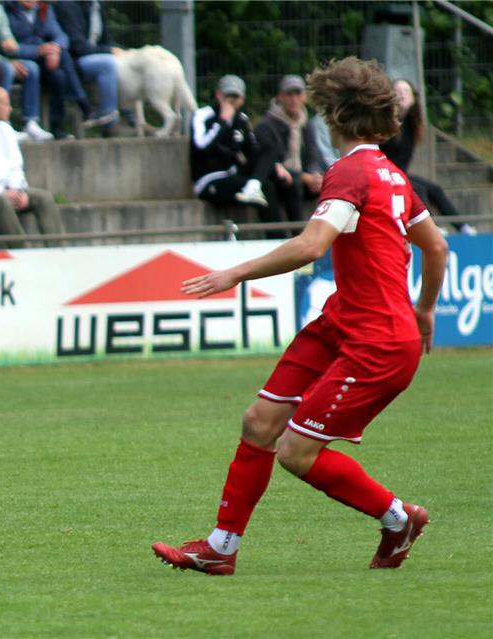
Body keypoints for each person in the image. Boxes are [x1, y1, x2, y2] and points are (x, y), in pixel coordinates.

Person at [152, 56, 449, 575]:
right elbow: (438, 247)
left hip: (374, 339)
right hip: (343, 324)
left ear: (332, 113)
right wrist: (424, 309)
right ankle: (221, 548)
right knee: (259, 422)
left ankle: (398, 518)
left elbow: (313, 246)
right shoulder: (393, 176)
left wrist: (235, 272)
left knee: (295, 450)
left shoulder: (352, 171)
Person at [190, 74, 283, 235]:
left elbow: (253, 152)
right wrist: (223, 121)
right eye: (228, 96)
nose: (232, 101)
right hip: (210, 179)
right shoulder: (203, 115)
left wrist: (274, 166)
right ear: (219, 95)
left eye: (236, 96)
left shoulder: (241, 119)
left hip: (234, 174)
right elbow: (201, 148)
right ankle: (277, 239)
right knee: (264, 189)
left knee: (270, 155)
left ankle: (278, 240)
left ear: (242, 99)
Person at [0, 85, 63, 245]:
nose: (10, 108)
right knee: (1, 201)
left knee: (44, 198)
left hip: (9, 189)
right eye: (6, 103)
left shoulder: (6, 129)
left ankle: (57, 250)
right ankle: (21, 251)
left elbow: (16, 166)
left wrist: (19, 191)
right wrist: (1, 192)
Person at [381, 79, 476, 235]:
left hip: (401, 174)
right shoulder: (386, 124)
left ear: (413, 97)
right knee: (418, 189)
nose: (401, 95)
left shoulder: (413, 123)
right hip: (386, 176)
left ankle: (463, 228)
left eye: (405, 91)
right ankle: (430, 228)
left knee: (434, 189)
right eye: (397, 91)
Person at [0, 0, 53, 141]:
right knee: (6, 69)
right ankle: (3, 124)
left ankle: (30, 121)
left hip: (1, 56)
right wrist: (6, 61)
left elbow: (6, 35)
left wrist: (10, 44)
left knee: (31, 68)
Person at [6, 0, 93, 139]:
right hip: (22, 61)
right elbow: (8, 47)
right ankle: (82, 101)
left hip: (46, 60)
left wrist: (55, 49)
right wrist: (38, 51)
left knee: (59, 75)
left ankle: (57, 128)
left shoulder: (44, 9)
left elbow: (61, 36)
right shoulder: (7, 10)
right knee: (49, 67)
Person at [254, 74, 324, 223]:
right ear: (280, 97)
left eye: (298, 93)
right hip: (279, 181)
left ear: (304, 96)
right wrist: (305, 177)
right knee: (293, 183)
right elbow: (270, 162)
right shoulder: (266, 125)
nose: (294, 99)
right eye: (289, 94)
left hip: (302, 180)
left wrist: (314, 175)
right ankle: (297, 233)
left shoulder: (307, 125)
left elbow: (313, 156)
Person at [52, 0, 121, 134]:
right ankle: (108, 119)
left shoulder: (97, 4)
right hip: (74, 61)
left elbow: (106, 39)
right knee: (108, 64)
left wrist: (117, 50)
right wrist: (108, 50)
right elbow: (78, 46)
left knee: (123, 60)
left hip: (94, 53)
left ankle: (128, 115)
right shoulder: (67, 5)